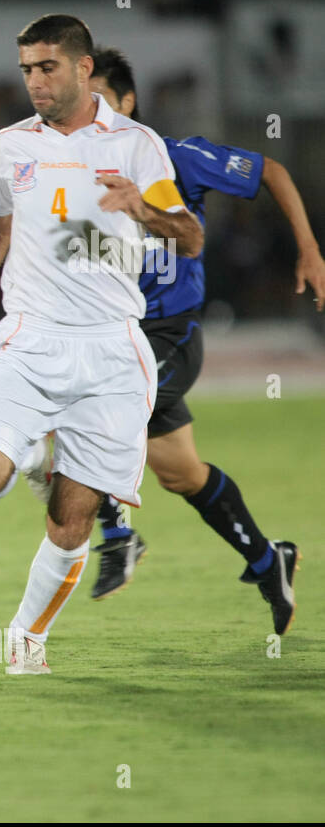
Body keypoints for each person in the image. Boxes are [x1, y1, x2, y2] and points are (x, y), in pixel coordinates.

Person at [0, 15, 203, 674]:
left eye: (46, 67)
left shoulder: (136, 146)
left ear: (82, 68)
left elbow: (188, 236)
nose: (34, 82)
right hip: (28, 342)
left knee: (72, 520)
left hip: (111, 355)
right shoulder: (10, 147)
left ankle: (27, 640)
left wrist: (143, 211)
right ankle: (32, 453)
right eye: (26, 69)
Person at [83, 46, 323, 630]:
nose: (93, 119)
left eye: (103, 104)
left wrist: (310, 249)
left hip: (170, 332)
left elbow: (271, 171)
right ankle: (270, 561)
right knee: (181, 474)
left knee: (101, 409)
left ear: (129, 103)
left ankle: (117, 537)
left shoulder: (175, 158)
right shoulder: (70, 169)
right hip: (112, 331)